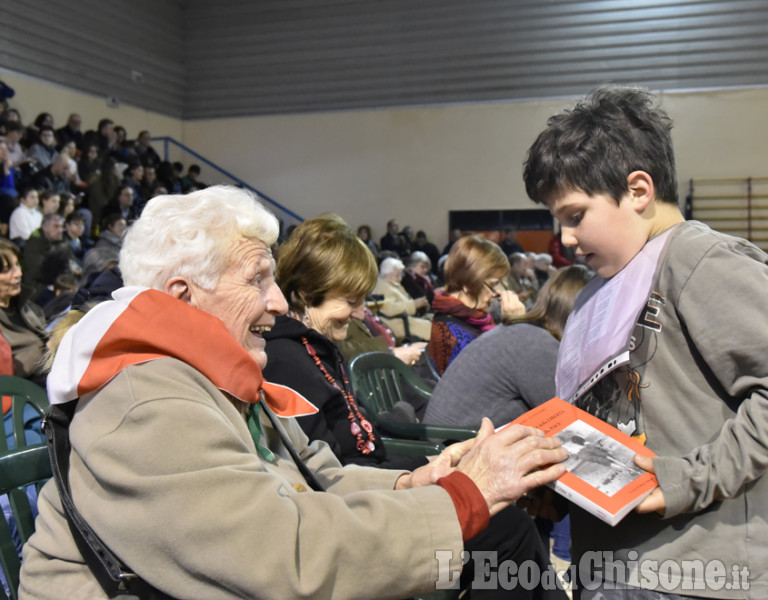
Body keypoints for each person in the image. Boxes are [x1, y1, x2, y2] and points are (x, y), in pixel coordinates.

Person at [20, 186, 568, 599]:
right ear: (183, 296)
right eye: (257, 278)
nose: (279, 302)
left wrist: (420, 480)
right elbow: (285, 559)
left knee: (501, 532)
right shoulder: (147, 402)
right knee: (498, 537)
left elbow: (318, 476)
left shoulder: (209, 377)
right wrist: (463, 498)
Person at [522, 84, 768, 598]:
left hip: (692, 570)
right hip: (610, 562)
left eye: (574, 215)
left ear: (638, 191)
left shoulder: (699, 261)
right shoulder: (596, 292)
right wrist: (560, 487)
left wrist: (684, 479)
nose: (564, 238)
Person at [263, 213, 568, 599]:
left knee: (507, 521)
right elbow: (324, 473)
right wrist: (415, 478)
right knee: (507, 533)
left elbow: (355, 445)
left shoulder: (314, 347)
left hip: (381, 481)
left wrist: (433, 468)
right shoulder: (286, 359)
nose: (360, 314)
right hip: (359, 508)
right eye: (351, 300)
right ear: (307, 293)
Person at [426, 265, 592, 428]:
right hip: (453, 446)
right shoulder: (536, 344)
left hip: (446, 437)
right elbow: (568, 418)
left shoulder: (525, 332)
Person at [428, 235, 525, 375]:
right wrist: (515, 328)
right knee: (557, 395)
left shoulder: (466, 318)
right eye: (493, 285)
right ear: (467, 283)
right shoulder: (457, 336)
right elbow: (505, 374)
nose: (497, 293)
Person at [0, 239, 46, 381]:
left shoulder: (26, 305)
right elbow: (7, 373)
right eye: (7, 269)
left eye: (17, 264)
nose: (18, 273)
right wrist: (43, 350)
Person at [372, 256, 432, 342]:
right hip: (399, 324)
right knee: (437, 329)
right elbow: (388, 309)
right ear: (386, 274)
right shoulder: (382, 287)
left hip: (405, 320)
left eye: (401, 275)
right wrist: (414, 304)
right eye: (397, 275)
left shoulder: (390, 283)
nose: (400, 278)